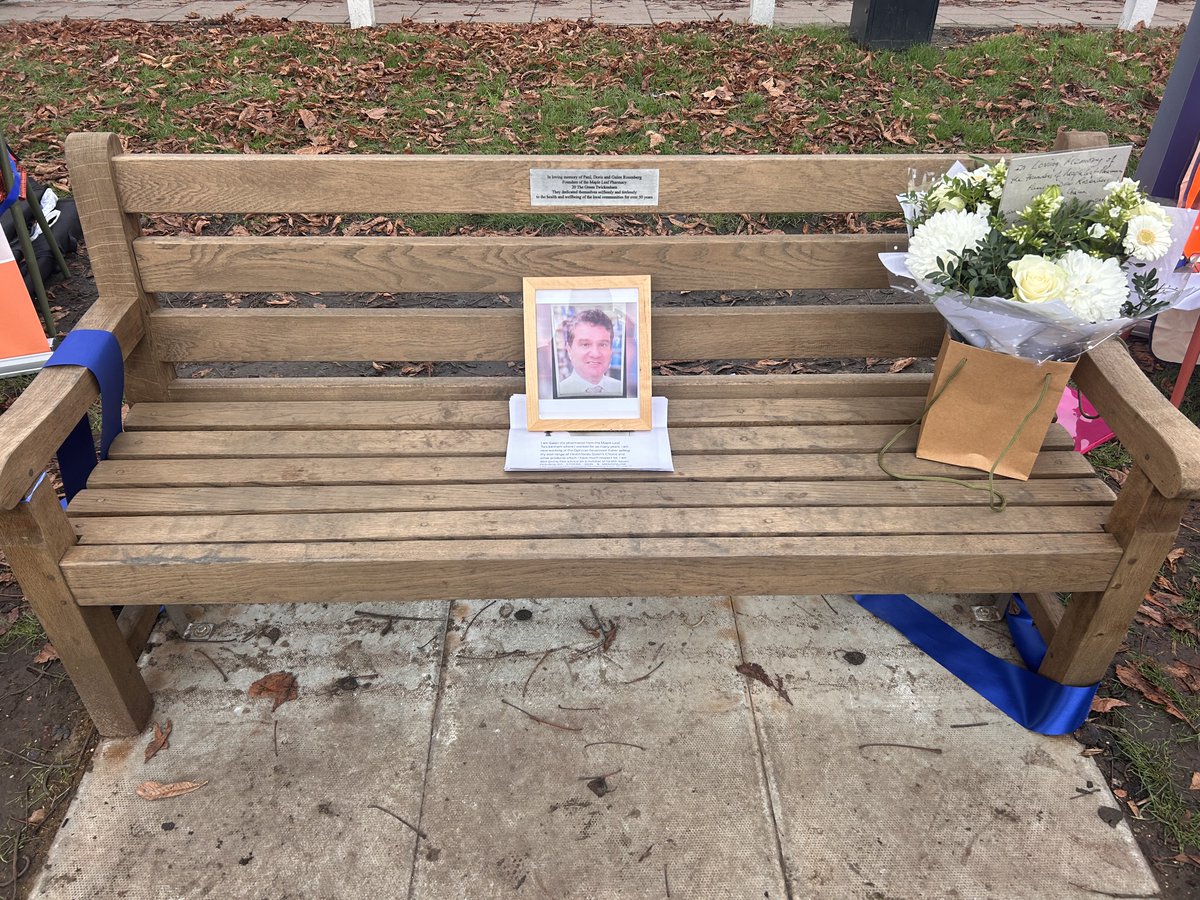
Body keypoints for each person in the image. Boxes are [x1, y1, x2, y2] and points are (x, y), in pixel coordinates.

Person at [557, 308, 624, 396]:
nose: (595, 354)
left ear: (611, 350)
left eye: (602, 345)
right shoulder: (558, 393)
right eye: (585, 344)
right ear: (569, 350)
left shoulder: (621, 390)